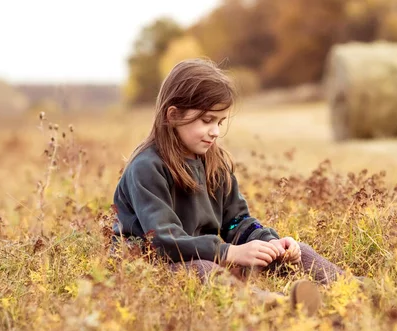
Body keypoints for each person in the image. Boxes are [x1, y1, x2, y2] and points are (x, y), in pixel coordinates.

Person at [111, 58, 348, 315]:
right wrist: (230, 253)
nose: (215, 131)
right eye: (206, 120)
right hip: (155, 264)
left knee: (299, 251)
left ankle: (351, 291)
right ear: (174, 115)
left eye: (220, 122)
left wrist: (272, 244)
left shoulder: (215, 163)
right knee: (203, 270)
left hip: (212, 255)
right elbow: (165, 240)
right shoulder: (147, 168)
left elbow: (238, 222)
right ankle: (275, 305)